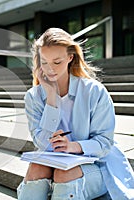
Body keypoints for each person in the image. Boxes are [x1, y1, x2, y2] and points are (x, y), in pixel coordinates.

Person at [17, 27, 134, 200]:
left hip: (98, 165)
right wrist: (51, 98)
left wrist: (73, 146)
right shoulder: (34, 97)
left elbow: (104, 143)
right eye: (44, 62)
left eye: (57, 62)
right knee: (36, 168)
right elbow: (42, 143)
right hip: (56, 162)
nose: (50, 69)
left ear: (70, 57)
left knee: (64, 174)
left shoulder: (94, 91)